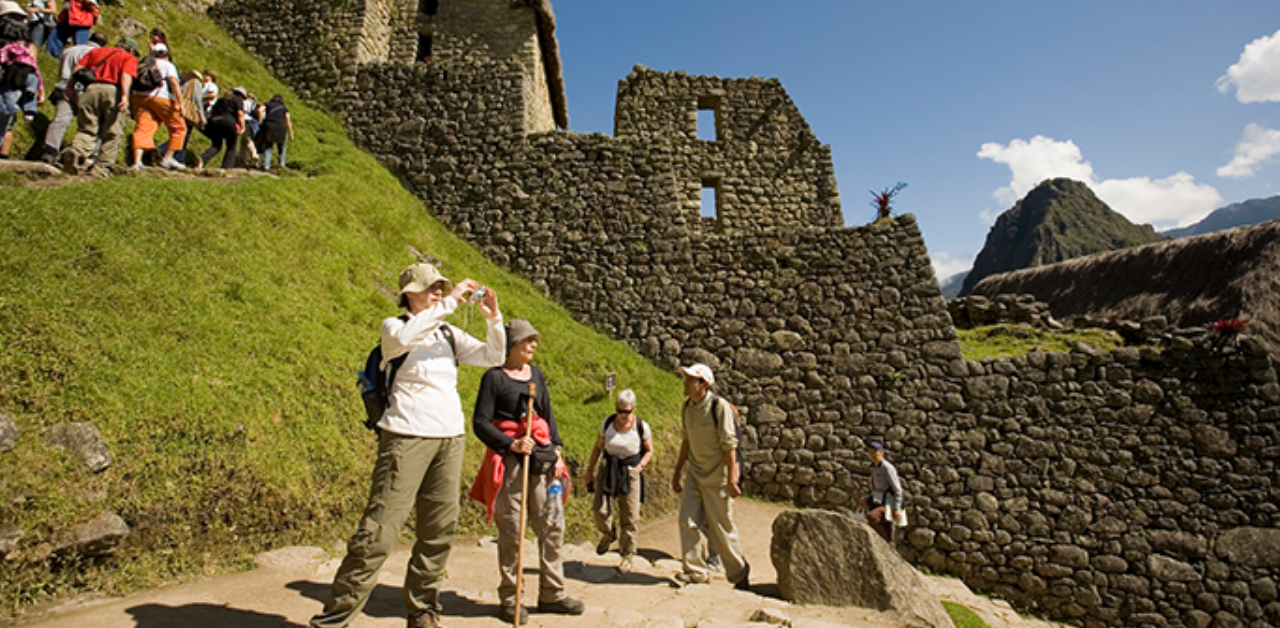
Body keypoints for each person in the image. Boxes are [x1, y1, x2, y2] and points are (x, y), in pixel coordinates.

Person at [309, 263, 504, 628]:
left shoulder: (447, 333)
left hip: (449, 439)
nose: (437, 292)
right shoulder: (394, 327)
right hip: (405, 437)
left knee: (439, 530)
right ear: (409, 293)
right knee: (379, 532)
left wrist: (493, 318)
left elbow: (494, 357)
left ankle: (422, 609)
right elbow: (406, 338)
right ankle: (335, 618)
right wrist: (449, 302)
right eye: (430, 287)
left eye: (440, 287)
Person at [470, 319, 584, 624]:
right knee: (512, 530)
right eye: (527, 340)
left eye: (534, 340)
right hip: (510, 463)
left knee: (552, 525)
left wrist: (556, 450)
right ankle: (511, 598)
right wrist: (511, 444)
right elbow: (480, 423)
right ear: (512, 346)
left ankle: (552, 593)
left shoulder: (536, 375)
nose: (533, 345)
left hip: (541, 460)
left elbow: (547, 414)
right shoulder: (494, 378)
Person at [671, 363, 750, 589]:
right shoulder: (687, 407)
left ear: (704, 384)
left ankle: (739, 574)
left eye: (691, 380)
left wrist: (732, 479)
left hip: (718, 477)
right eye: (686, 379)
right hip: (695, 474)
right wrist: (677, 472)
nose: (685, 384)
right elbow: (686, 441)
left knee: (721, 527)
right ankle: (695, 571)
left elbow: (730, 446)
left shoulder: (719, 407)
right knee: (686, 521)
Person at [584, 388, 652, 573]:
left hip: (630, 472)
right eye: (619, 411)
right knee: (599, 509)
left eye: (627, 412)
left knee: (630, 515)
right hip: (608, 468)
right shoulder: (607, 423)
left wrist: (640, 467)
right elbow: (597, 448)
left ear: (633, 409)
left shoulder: (641, 426)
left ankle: (627, 554)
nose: (622, 415)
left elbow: (649, 450)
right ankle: (608, 533)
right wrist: (589, 471)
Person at [62, 35, 136, 175]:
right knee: (112, 131)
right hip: (112, 91)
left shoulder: (96, 52)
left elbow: (78, 69)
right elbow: (126, 75)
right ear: (131, 49)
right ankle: (102, 167)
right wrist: (125, 95)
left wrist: (70, 86)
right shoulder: (128, 57)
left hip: (90, 89)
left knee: (87, 127)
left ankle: (76, 151)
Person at [37, 29, 101, 163]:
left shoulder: (69, 50)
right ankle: (83, 154)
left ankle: (50, 150)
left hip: (64, 87)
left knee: (60, 120)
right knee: (89, 124)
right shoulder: (98, 54)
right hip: (85, 91)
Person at [128, 41, 184, 169]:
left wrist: (131, 104)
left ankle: (137, 161)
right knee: (178, 128)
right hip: (161, 97)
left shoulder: (143, 64)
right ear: (166, 54)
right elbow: (173, 81)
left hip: (139, 97)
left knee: (143, 128)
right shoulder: (167, 65)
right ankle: (167, 158)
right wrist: (180, 102)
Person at [0, 0, 40, 160]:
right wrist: (37, 90)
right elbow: (33, 68)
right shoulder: (28, 45)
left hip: (7, 83)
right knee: (7, 123)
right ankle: (3, 156)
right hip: (17, 85)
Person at [858, 441, 904, 547]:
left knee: (873, 517)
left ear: (881, 453)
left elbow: (897, 489)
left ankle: (887, 542)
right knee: (880, 523)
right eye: (870, 453)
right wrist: (866, 499)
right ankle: (886, 543)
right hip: (878, 500)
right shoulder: (874, 468)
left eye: (875, 452)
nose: (873, 455)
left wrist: (896, 508)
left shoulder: (887, 468)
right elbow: (876, 488)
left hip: (889, 501)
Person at [155, 70, 203, 166]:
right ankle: (164, 150)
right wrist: (201, 115)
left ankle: (178, 157)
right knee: (184, 134)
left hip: (177, 107)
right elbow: (197, 100)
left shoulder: (182, 83)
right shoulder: (195, 83)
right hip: (188, 111)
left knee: (180, 132)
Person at [197, 86, 243, 169]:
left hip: (214, 122)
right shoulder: (238, 100)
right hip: (228, 122)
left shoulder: (222, 100)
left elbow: (212, 111)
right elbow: (240, 114)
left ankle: (203, 159)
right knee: (231, 145)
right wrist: (242, 127)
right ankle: (227, 166)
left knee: (217, 144)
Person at [256, 94, 291, 169]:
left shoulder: (268, 104)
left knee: (268, 145)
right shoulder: (284, 108)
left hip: (270, 125)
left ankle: (266, 165)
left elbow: (260, 110)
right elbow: (288, 121)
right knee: (281, 145)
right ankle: (282, 164)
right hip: (281, 126)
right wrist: (291, 133)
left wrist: (260, 121)